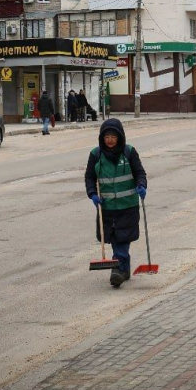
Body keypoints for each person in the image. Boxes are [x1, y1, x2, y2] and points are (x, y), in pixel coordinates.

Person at [84, 118, 147, 287]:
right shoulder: (96, 155)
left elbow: (140, 172)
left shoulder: (129, 152)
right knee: (115, 237)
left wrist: (141, 185)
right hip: (107, 207)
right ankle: (123, 268)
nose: (110, 140)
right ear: (102, 138)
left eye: (113, 136)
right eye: (107, 137)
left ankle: (117, 267)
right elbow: (90, 177)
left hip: (128, 205)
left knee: (123, 238)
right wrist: (92, 194)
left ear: (120, 137)